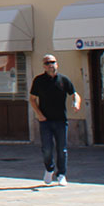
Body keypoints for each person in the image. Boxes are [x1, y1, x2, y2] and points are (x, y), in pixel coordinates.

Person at [29, 55, 80, 185]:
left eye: (52, 62)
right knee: (46, 148)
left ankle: (61, 174)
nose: (50, 65)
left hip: (61, 120)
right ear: (44, 66)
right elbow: (32, 99)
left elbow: (75, 94)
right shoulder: (39, 80)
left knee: (62, 149)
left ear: (57, 64)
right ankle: (49, 169)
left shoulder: (63, 80)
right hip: (45, 120)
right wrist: (39, 114)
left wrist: (76, 103)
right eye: (47, 63)